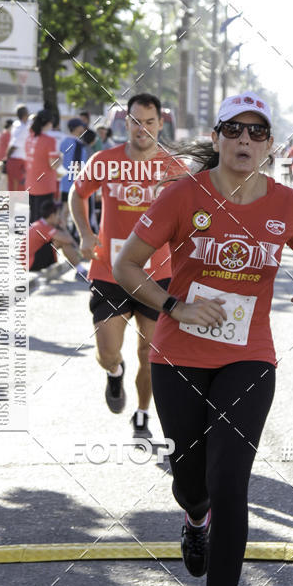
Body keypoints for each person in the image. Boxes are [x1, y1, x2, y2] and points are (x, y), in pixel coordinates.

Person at [114, 91, 293, 586]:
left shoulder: (287, 205)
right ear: (216, 137)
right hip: (178, 355)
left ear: (268, 145)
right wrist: (173, 306)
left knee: (231, 482)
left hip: (249, 358)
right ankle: (193, 519)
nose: (244, 141)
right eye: (234, 129)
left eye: (256, 133)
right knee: (193, 481)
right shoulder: (184, 194)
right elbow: (127, 266)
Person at [70, 93, 186, 437]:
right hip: (110, 270)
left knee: (151, 353)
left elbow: (189, 215)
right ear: (126, 123)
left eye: (150, 122)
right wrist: (86, 235)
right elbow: (77, 195)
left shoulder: (172, 168)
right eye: (136, 121)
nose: (142, 128)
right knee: (108, 350)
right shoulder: (104, 160)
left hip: (158, 275)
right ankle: (114, 374)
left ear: (160, 125)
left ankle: (141, 411)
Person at [23, 199, 86, 275]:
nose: (59, 217)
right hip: (31, 263)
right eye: (58, 214)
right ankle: (81, 270)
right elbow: (68, 240)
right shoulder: (44, 227)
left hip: (29, 261)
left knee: (60, 240)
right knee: (62, 242)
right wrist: (63, 227)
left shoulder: (41, 223)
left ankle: (79, 265)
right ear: (52, 216)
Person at [25, 110, 60, 222]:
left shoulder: (29, 138)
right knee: (43, 222)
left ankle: (30, 239)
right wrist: (61, 158)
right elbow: (53, 165)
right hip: (45, 185)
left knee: (33, 219)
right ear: (49, 123)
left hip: (31, 183)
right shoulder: (50, 140)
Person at [6, 105, 29, 192]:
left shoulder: (17, 125)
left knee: (15, 187)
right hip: (17, 160)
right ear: (25, 115)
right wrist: (7, 158)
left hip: (17, 160)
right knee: (17, 188)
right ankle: (12, 205)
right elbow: (14, 145)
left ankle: (12, 205)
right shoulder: (21, 127)